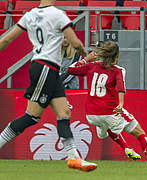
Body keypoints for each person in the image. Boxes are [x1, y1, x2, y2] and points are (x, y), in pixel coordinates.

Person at [0, 0, 97, 172]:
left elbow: (6, 39)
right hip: (46, 66)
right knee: (32, 116)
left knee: (64, 112)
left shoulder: (29, 15)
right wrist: (85, 54)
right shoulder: (57, 14)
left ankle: (74, 158)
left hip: (48, 68)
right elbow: (75, 42)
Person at [67, 41, 147, 168]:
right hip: (109, 111)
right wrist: (120, 104)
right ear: (117, 55)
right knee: (140, 133)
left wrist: (86, 59)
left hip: (91, 115)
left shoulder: (91, 66)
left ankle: (126, 148)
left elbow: (71, 70)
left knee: (105, 129)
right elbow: (120, 87)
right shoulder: (118, 70)